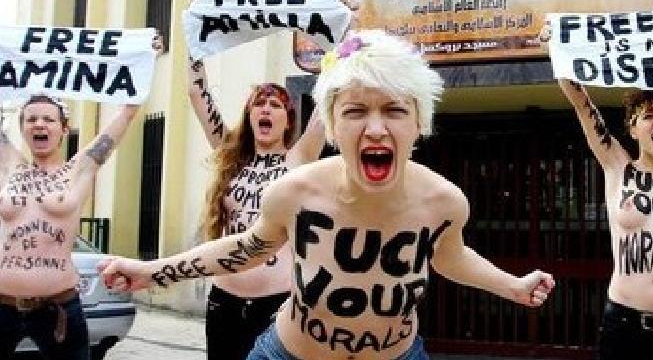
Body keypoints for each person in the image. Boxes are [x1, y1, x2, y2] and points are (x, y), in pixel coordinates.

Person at [100, 29, 555, 360]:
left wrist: (511, 286)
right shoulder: (294, 191)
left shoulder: (444, 202)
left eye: (394, 111)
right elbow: (246, 249)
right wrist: (151, 271)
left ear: (419, 122)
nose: (375, 128)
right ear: (333, 125)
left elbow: (450, 256)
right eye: (355, 112)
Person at [541, 27, 653, 359]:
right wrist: (558, 48)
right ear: (633, 128)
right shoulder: (616, 166)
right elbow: (583, 106)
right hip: (624, 324)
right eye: (649, 116)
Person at [0, 37, 161, 360]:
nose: (40, 124)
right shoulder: (8, 164)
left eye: (48, 119)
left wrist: (147, 58)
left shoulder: (79, 169)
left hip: (59, 308)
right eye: (31, 119)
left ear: (64, 129)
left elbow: (126, 115)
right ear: (22, 127)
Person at [185, 55, 325, 360]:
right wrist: (194, 43)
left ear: (288, 120)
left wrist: (345, 46)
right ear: (249, 116)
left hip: (277, 305)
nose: (266, 109)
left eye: (275, 105)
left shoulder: (298, 159)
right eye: (259, 103)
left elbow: (328, 104)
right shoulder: (230, 156)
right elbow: (198, 94)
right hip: (224, 303)